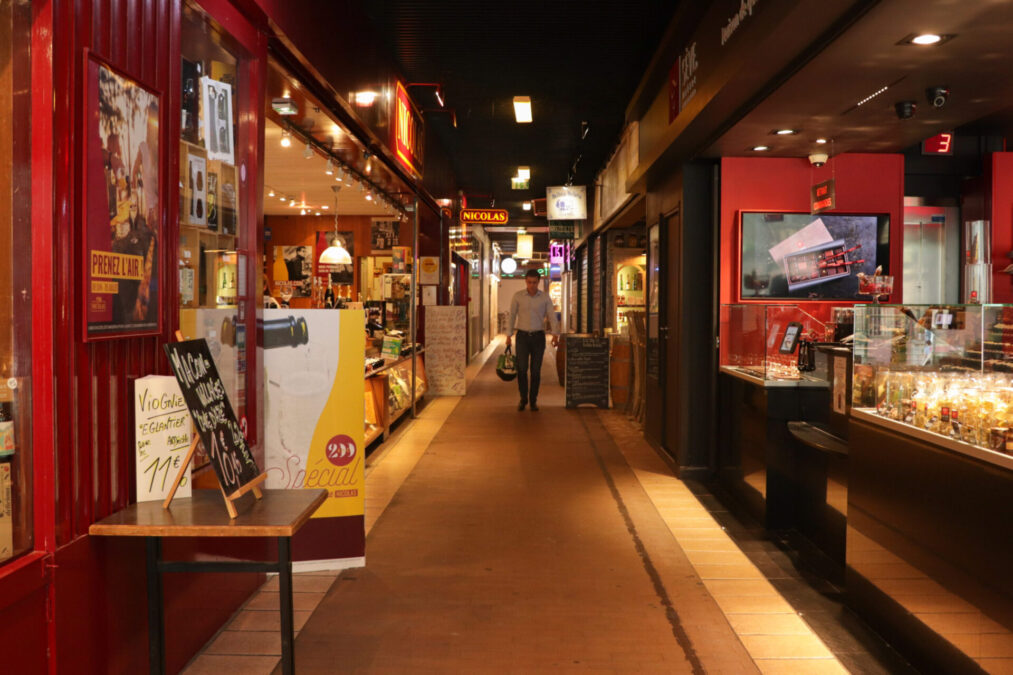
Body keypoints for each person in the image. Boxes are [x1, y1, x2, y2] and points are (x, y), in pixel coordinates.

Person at [506, 269, 560, 411]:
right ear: (526, 281)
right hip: (522, 337)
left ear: (539, 282)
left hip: (538, 337)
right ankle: (523, 398)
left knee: (536, 371)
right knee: (522, 369)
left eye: (534, 282)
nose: (532, 285)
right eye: (529, 282)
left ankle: (533, 400)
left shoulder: (544, 297)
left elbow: (551, 315)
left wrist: (555, 333)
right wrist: (508, 335)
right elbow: (511, 316)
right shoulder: (517, 296)